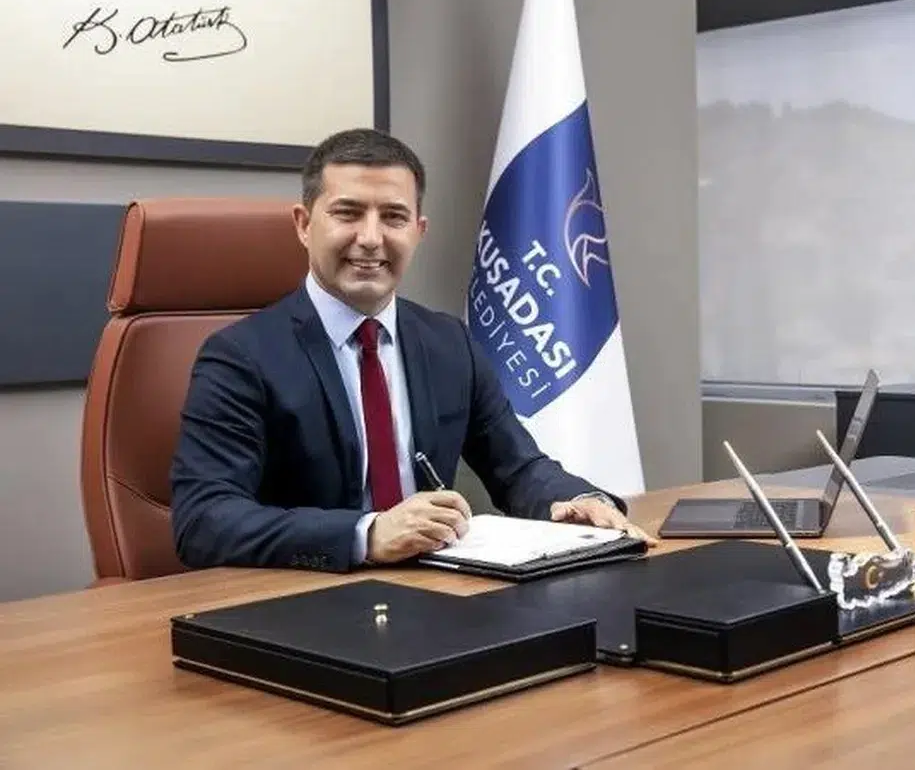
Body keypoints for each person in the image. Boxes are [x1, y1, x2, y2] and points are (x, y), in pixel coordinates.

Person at [170, 128, 656, 572]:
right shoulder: (239, 357)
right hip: (303, 602)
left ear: (419, 231)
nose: (370, 238)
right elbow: (204, 520)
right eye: (347, 213)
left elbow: (519, 468)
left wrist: (580, 502)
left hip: (434, 594)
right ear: (303, 224)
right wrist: (366, 534)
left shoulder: (449, 343)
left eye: (393, 217)